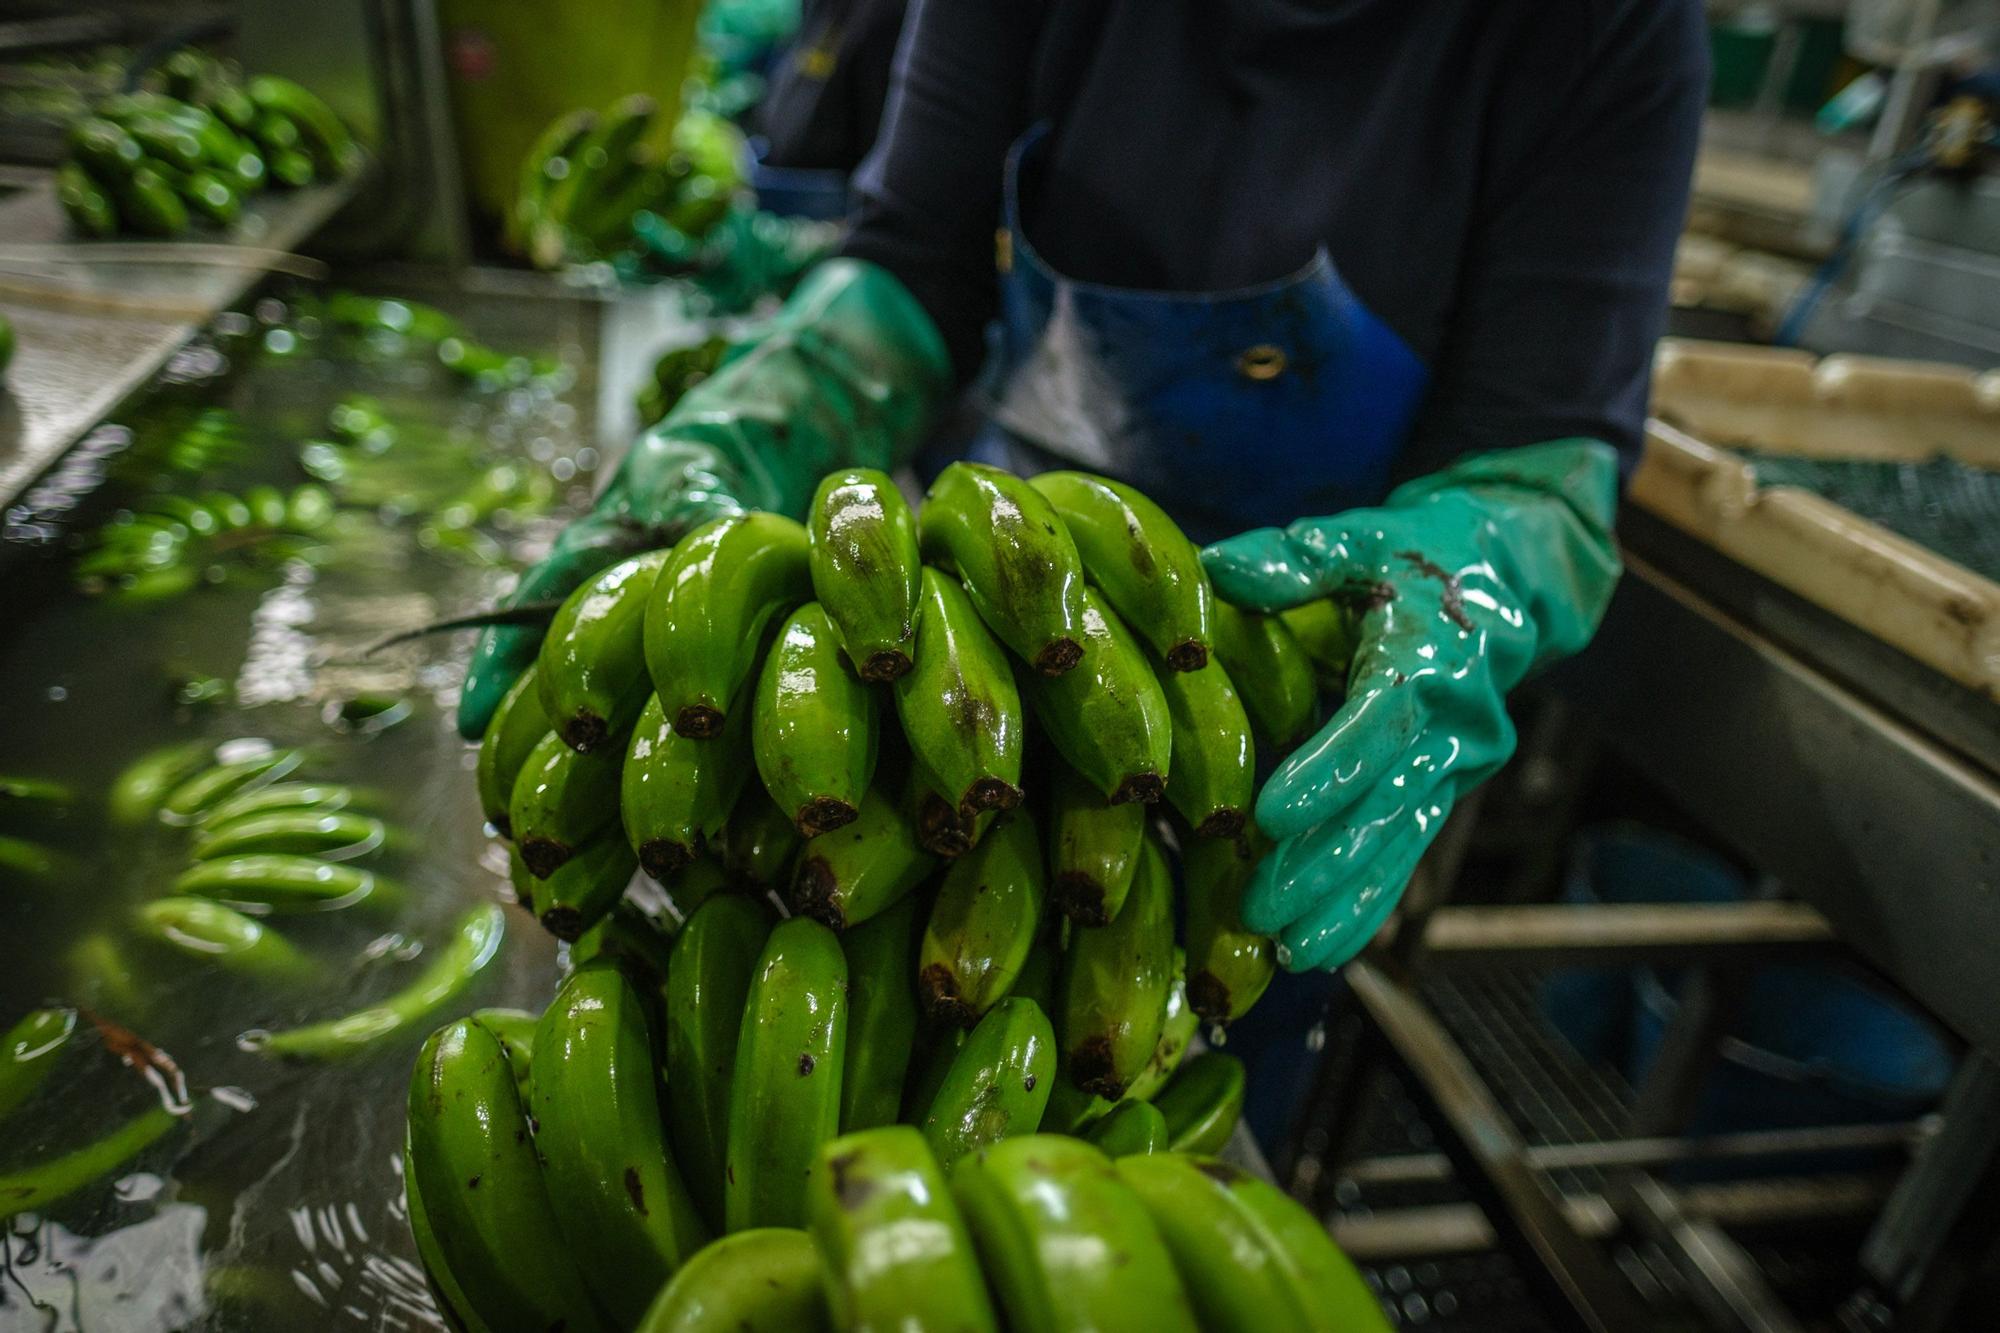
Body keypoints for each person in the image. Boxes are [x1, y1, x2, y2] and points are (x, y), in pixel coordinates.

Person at [462, 0, 1708, 979]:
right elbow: (914, 263)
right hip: (956, 667)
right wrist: (765, 414)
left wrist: (1469, 570)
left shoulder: (1601, 26)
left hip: (1278, 758)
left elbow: (1542, 454)